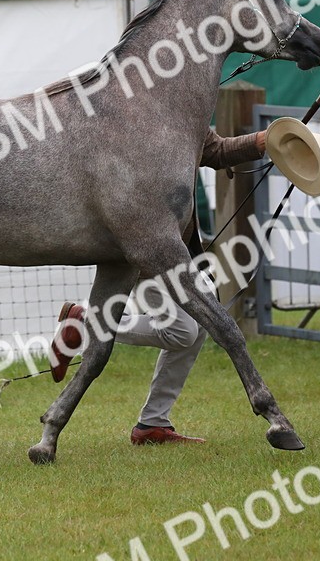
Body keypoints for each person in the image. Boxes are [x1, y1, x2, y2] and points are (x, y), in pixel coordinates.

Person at [50, 126, 266, 444]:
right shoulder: (140, 126)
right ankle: (85, 321)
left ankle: (152, 424)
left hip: (177, 253)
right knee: (183, 332)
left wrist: (268, 140)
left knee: (199, 327)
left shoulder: (179, 117)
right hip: (150, 254)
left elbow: (217, 150)